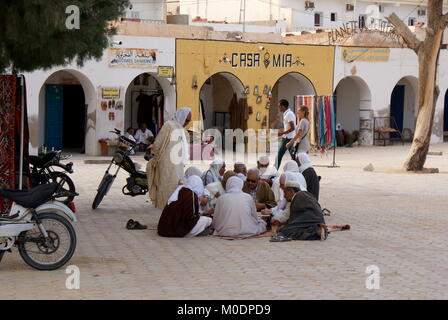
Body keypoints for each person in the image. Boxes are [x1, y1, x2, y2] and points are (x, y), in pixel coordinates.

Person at [146, 107, 192, 209]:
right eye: (187, 120)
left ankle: (171, 214)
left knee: (175, 188)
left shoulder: (184, 132)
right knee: (166, 188)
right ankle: (165, 214)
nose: (187, 123)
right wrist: (153, 149)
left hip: (178, 167)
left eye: (189, 120)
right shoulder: (169, 125)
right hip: (166, 166)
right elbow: (158, 143)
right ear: (182, 116)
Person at [275, 99, 296, 169]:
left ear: (283, 106)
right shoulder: (287, 113)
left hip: (288, 138)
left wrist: (282, 133)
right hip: (288, 137)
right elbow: (288, 127)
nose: (279, 108)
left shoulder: (289, 114)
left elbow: (293, 127)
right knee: (293, 156)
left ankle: (273, 172)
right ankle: (301, 171)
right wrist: (282, 131)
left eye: (279, 106)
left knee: (279, 155)